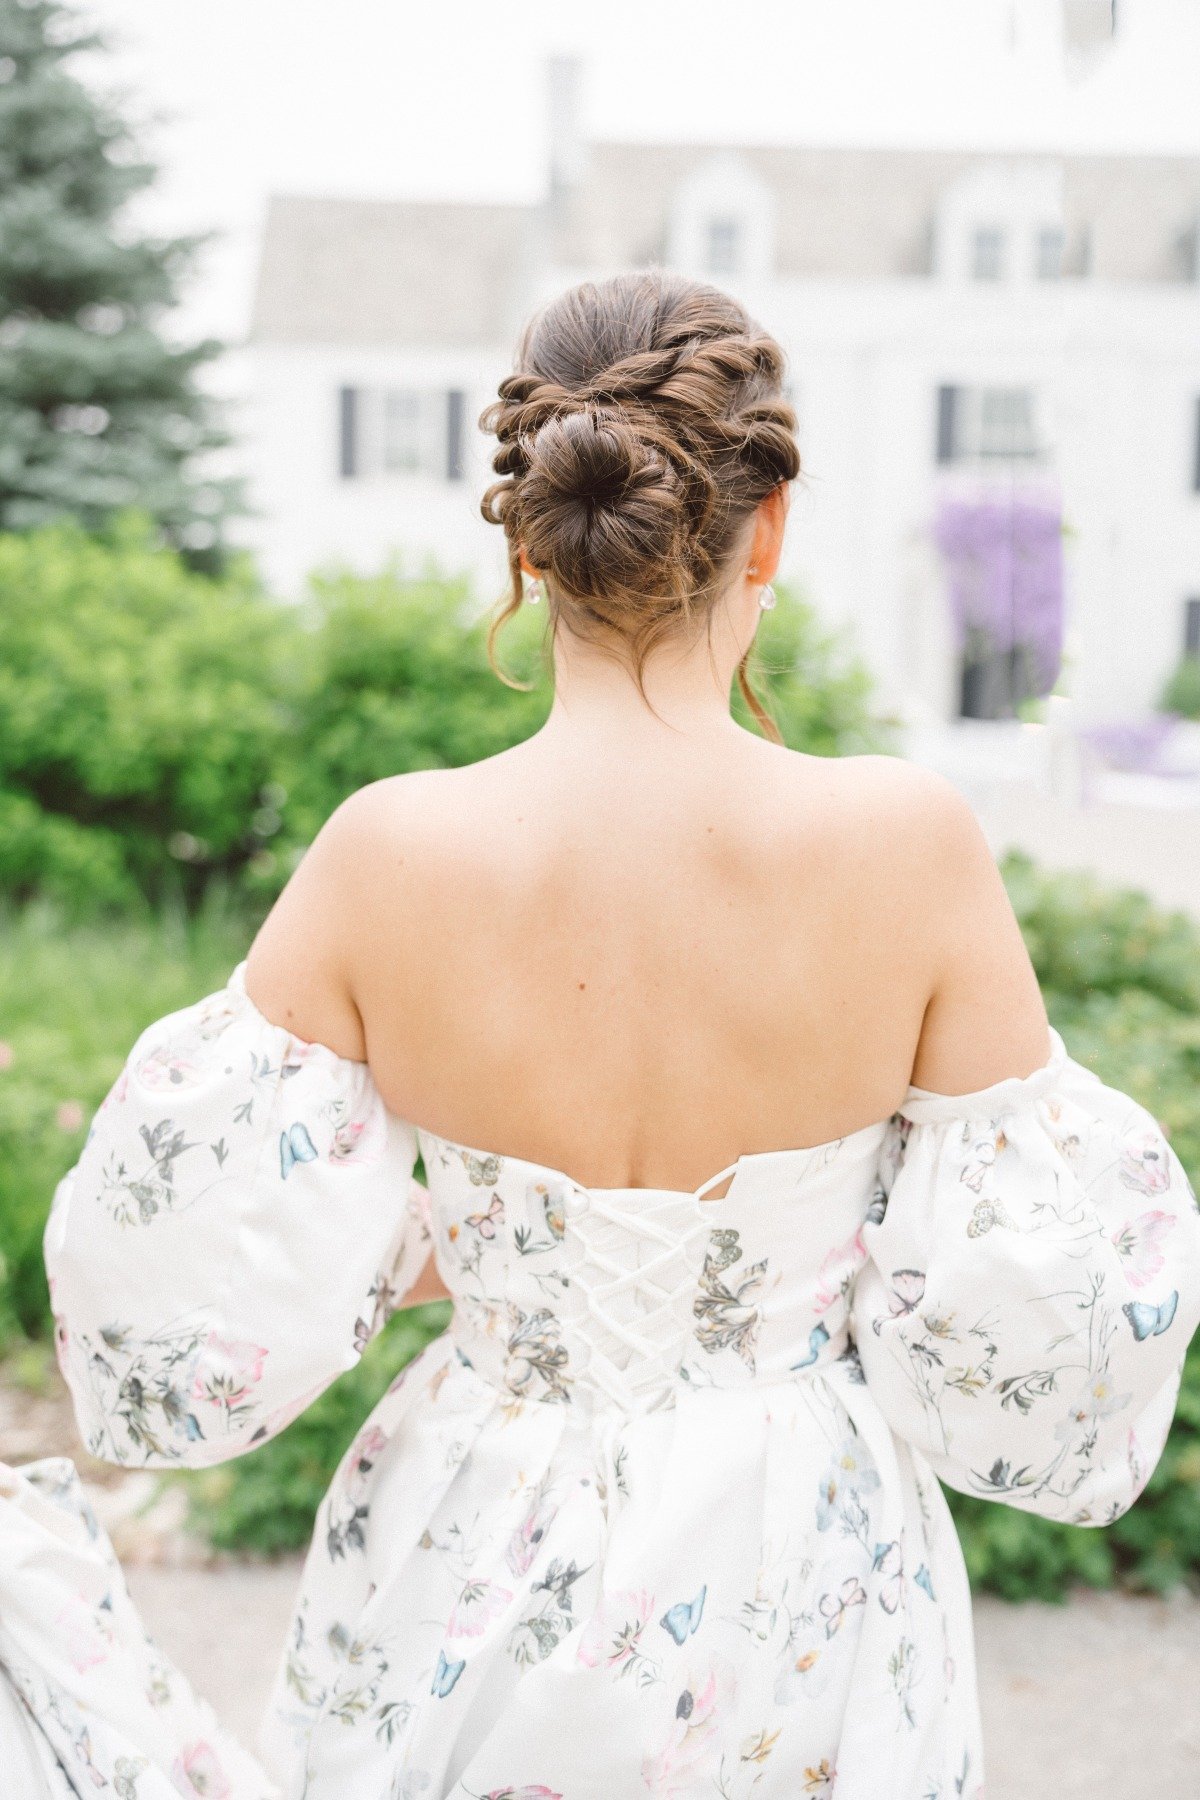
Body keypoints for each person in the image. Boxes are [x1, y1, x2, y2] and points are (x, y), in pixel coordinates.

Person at [40, 272, 1200, 1800]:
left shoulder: (386, 854)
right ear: (765, 530)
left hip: (467, 1525)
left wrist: (461, 1240)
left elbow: (167, 1305)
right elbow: (1047, 1314)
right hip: (806, 1557)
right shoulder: (910, 845)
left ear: (527, 541)